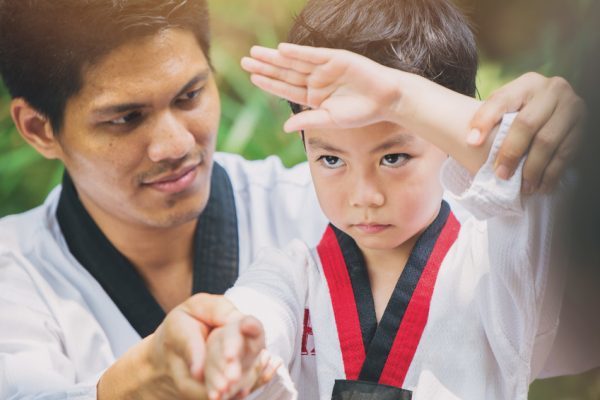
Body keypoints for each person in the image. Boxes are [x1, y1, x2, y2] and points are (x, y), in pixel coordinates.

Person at [0, 0, 586, 398]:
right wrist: (132, 385)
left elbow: (559, 283)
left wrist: (498, 132)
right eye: (125, 118)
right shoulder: (12, 275)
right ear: (37, 129)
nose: (176, 144)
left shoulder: (330, 202)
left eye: (190, 95)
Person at [201, 0, 591, 398]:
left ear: (447, 142)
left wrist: (401, 98)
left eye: (393, 158)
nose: (364, 195)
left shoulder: (494, 273)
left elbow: (547, 188)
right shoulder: (290, 278)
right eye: (331, 159)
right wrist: (236, 343)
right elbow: (254, 313)